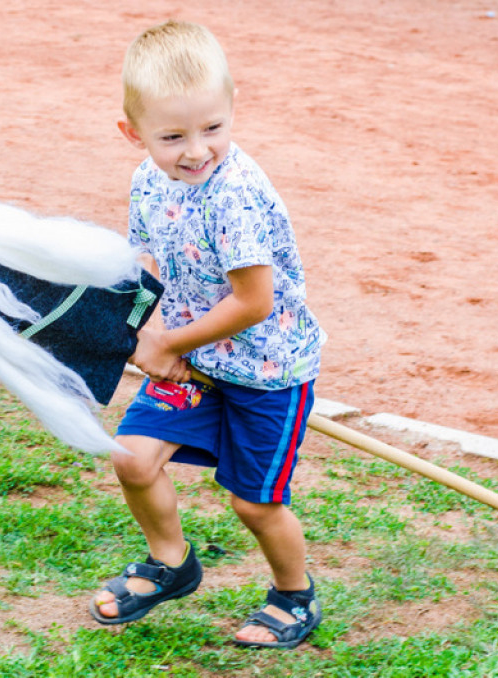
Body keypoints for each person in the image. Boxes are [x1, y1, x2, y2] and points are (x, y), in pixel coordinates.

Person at [88, 20, 326, 649]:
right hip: (197, 362)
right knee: (134, 460)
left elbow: (253, 302)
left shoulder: (235, 196)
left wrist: (168, 344)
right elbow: (148, 263)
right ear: (133, 133)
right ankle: (171, 564)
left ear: (231, 110)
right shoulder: (148, 179)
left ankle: (293, 596)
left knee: (254, 504)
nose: (196, 150)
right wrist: (150, 329)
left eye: (212, 129)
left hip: (266, 372)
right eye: (172, 136)